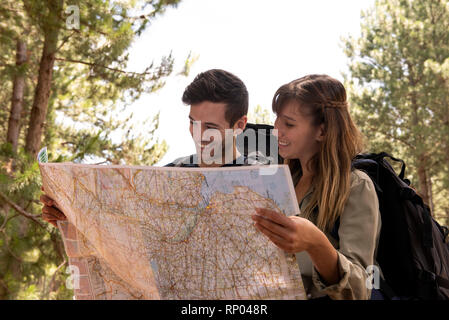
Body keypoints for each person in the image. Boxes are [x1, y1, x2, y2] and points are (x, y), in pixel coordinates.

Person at [41, 69, 271, 226]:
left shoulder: (264, 177)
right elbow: (127, 227)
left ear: (239, 125)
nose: (198, 135)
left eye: (210, 126)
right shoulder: (169, 174)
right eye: (193, 122)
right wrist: (70, 217)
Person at [251, 74, 381, 300]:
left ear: (322, 131)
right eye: (278, 120)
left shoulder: (356, 187)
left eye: (289, 124)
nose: (277, 130)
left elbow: (361, 290)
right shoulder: (279, 181)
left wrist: (316, 243)